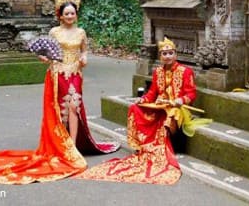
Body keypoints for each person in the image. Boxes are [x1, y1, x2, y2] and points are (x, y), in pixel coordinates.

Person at [0, 0, 118, 184]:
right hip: (57, 72)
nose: (70, 16)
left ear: (76, 14)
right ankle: (62, 145)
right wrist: (44, 58)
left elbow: (85, 50)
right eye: (67, 14)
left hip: (75, 72)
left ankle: (73, 146)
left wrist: (84, 59)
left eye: (73, 13)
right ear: (60, 16)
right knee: (61, 109)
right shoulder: (54, 32)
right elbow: (46, 53)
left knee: (74, 107)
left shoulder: (81, 32)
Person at [78, 37, 207, 185]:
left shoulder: (186, 71)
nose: (168, 56)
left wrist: (179, 101)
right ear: (160, 56)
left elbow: (191, 94)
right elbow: (152, 92)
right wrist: (143, 100)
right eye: (164, 54)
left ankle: (162, 146)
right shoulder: (157, 71)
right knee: (135, 108)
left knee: (170, 115)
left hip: (177, 108)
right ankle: (143, 145)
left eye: (170, 53)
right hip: (160, 105)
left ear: (176, 55)